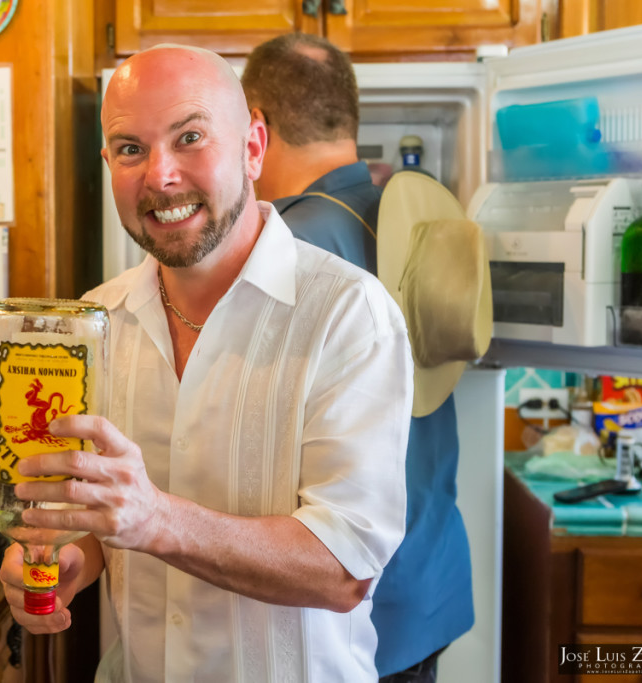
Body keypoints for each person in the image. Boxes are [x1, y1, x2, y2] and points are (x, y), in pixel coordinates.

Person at [0, 44, 413, 681]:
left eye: (190, 137)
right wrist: (70, 558)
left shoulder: (348, 313)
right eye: (130, 148)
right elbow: (106, 520)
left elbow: (344, 572)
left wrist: (156, 520)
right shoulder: (94, 321)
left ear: (252, 146)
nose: (160, 175)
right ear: (108, 162)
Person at [242, 33, 475, 683]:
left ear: (253, 123)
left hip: (350, 611)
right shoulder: (413, 217)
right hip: (428, 583)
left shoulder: (284, 247)